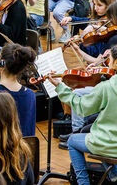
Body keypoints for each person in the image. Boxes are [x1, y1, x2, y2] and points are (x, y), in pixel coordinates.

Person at [48, 45, 117, 185]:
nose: (108, 62)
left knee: (73, 141)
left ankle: (83, 182)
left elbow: (81, 107)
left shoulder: (107, 87)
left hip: (110, 144)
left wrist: (60, 88)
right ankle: (114, 175)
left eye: (110, 59)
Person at [66, 0, 117, 65]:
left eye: (110, 18)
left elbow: (96, 62)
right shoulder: (112, 34)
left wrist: (78, 50)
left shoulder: (114, 39)